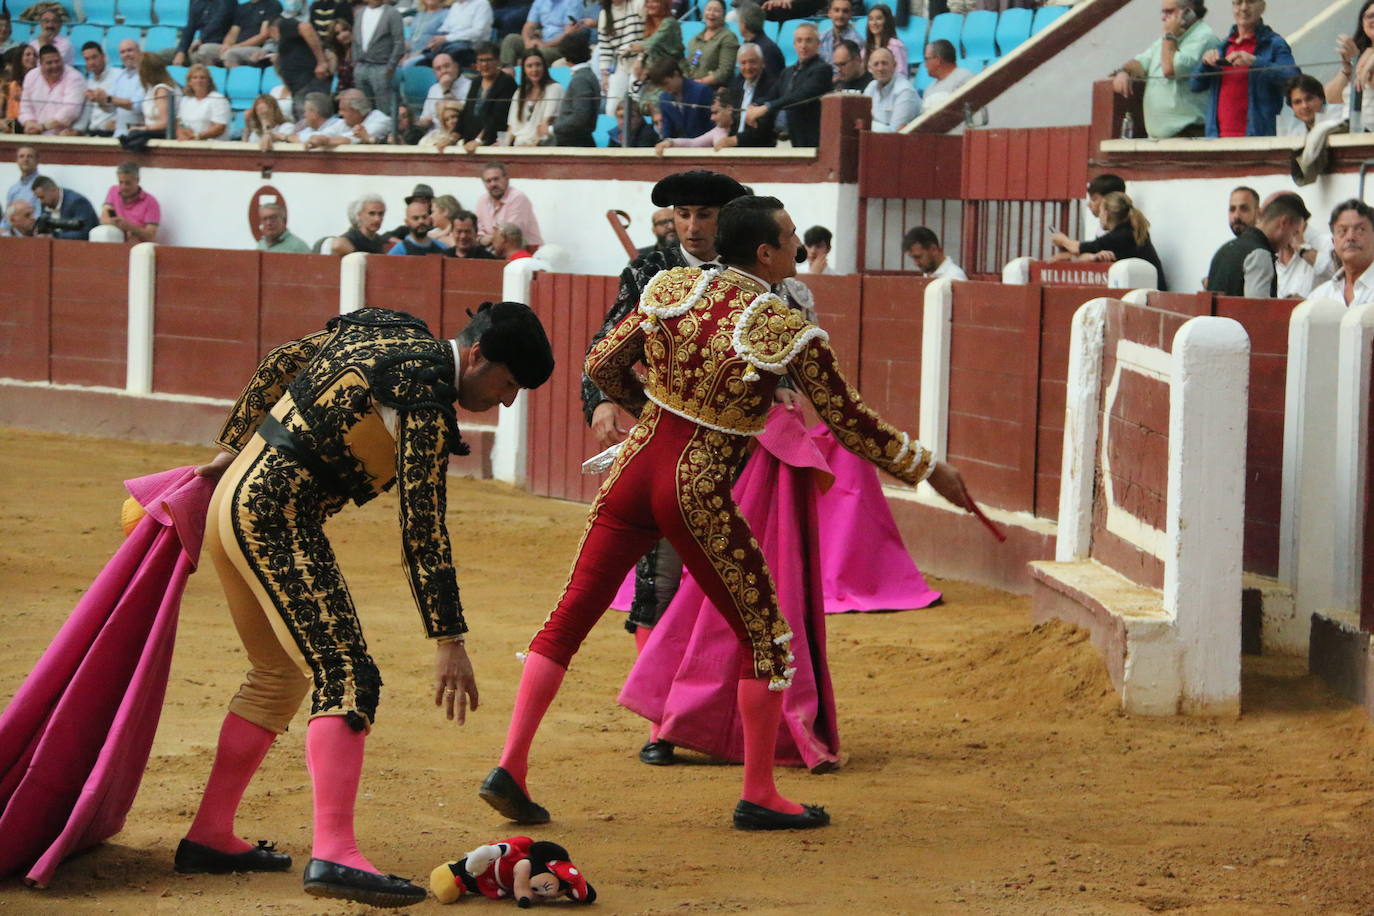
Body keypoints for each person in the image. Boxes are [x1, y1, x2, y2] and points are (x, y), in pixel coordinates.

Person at [479, 193, 973, 831]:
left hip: (634, 469)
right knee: (766, 639)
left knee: (569, 615)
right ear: (765, 253)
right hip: (697, 486)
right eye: (791, 238)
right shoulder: (786, 328)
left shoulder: (673, 288)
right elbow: (848, 422)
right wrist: (928, 468)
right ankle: (760, 792)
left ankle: (510, 767)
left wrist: (653, 408)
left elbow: (602, 363)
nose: (798, 246)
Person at [179, 300, 553, 907]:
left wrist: (229, 450)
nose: (507, 401)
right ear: (479, 355)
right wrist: (448, 639)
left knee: (276, 677)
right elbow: (422, 525)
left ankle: (210, 835)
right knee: (347, 674)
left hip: (233, 503)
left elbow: (284, 358)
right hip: (277, 518)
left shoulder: (387, 328)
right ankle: (333, 853)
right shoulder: (427, 400)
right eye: (508, 384)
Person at [579, 171, 748, 766]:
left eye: (705, 215)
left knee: (730, 584)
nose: (695, 227)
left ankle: (727, 717)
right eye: (685, 215)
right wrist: (601, 400)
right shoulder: (647, 272)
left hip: (738, 451)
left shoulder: (754, 272)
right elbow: (605, 348)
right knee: (661, 579)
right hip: (669, 446)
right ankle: (661, 719)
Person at [1187, 0, 1296, 138]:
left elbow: (1293, 78)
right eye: (1238, 3)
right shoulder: (1223, 46)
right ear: (1233, 7)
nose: (1244, 8)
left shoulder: (1274, 43)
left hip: (1257, 138)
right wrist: (1205, 64)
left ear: (1262, 7)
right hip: (1217, 138)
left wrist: (1255, 62)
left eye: (1250, 2)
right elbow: (1194, 85)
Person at [1110, 0, 1215, 139]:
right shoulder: (1165, 41)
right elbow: (1140, 63)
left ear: (1188, 12)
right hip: (1159, 138)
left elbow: (1170, 70)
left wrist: (1169, 35)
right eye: (1163, 11)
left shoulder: (1204, 37)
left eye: (1169, 11)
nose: (1163, 17)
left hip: (1188, 135)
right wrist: (1124, 72)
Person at [1051, 191, 1168, 290]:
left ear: (1106, 214)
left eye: (1101, 211)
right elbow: (1091, 253)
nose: (1099, 215)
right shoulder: (1129, 231)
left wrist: (1062, 240)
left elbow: (1080, 248)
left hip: (1146, 293)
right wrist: (1068, 255)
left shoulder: (1120, 236)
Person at [1203, 192, 1308, 297]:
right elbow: (1257, 310)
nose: (1291, 240)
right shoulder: (1260, 255)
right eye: (1294, 233)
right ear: (1284, 222)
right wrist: (1288, 307)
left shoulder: (1223, 250)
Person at [745, 22, 831, 148]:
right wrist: (755, 105)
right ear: (794, 45)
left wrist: (766, 108)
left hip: (807, 141)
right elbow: (771, 95)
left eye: (808, 40)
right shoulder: (787, 72)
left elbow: (799, 96)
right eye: (799, 41)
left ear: (818, 44)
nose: (803, 45)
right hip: (781, 139)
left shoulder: (823, 69)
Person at [1310, 199, 1374, 307]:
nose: (1350, 237)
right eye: (1342, 230)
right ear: (1333, 242)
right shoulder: (1319, 297)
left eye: (1360, 230)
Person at [500, 0, 595, 69]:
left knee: (538, 55)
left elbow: (568, 34)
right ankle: (506, 73)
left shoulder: (573, 2)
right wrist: (527, 42)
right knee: (511, 39)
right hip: (542, 42)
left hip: (561, 46)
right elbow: (529, 26)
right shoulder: (540, 2)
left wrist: (543, 45)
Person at [350, 0, 404, 120]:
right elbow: (354, 40)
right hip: (361, 65)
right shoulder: (360, 13)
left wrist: (391, 66)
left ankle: (387, 134)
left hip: (381, 65)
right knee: (364, 107)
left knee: (384, 107)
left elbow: (399, 42)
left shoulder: (392, 13)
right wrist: (355, 63)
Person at [1325, 0, 1374, 132]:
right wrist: (1348, 70)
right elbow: (1331, 97)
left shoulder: (1359, 55)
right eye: (1370, 16)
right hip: (1351, 130)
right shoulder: (1360, 53)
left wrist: (1358, 61)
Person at [457, 43, 518, 151]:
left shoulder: (506, 82)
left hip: (492, 144)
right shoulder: (476, 82)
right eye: (480, 60)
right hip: (470, 144)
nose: (484, 64)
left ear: (498, 61)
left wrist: (479, 140)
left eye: (488, 60)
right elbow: (466, 111)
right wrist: (452, 136)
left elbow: (498, 117)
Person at [269, 16, 331, 117]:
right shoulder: (289, 41)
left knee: (310, 118)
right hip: (298, 86)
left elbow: (306, 28)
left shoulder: (284, 25)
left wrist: (321, 62)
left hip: (308, 81)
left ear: (272, 29)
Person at [475, 162, 542, 251]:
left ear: (506, 179)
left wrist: (487, 239)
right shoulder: (482, 200)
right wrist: (482, 239)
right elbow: (477, 230)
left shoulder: (517, 198)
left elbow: (510, 235)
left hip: (525, 251)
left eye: (496, 179)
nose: (493, 184)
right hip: (494, 251)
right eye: (488, 181)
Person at [195, 0, 282, 68]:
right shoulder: (243, 7)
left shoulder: (272, 5)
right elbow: (233, 31)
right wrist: (227, 44)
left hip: (257, 47)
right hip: (237, 46)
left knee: (230, 54)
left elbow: (264, 35)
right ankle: (215, 81)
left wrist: (237, 46)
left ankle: (237, 83)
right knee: (205, 49)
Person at [722, 43, 777, 148]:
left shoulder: (772, 86)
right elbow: (734, 123)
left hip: (761, 149)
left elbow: (765, 127)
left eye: (752, 62)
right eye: (743, 63)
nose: (748, 67)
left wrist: (736, 140)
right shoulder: (737, 86)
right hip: (736, 148)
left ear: (762, 62)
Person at [20, 44, 84, 136]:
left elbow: (70, 110)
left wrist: (43, 127)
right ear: (41, 64)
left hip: (64, 135)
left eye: (57, 61)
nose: (55, 66)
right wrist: (29, 124)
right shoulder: (31, 76)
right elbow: (25, 107)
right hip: (34, 134)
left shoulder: (75, 77)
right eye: (49, 63)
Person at [85, 40, 144, 138]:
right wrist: (99, 100)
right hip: (119, 135)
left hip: (137, 136)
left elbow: (137, 106)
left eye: (130, 50)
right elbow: (110, 109)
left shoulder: (145, 74)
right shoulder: (121, 76)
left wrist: (108, 98)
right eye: (123, 52)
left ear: (139, 52)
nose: (126, 55)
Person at [545, 33, 596, 147]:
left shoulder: (581, 79)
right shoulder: (587, 75)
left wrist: (552, 129)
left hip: (574, 143)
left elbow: (580, 117)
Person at [654, 84, 737, 152]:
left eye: (716, 113)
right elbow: (693, 143)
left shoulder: (742, 130)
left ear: (729, 109)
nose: (712, 118)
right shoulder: (718, 130)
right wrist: (670, 142)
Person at [596, 0, 644, 115]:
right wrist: (605, 75)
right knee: (611, 108)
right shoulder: (604, 14)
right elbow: (605, 48)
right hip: (621, 63)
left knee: (634, 104)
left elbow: (649, 34)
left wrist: (641, 58)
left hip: (641, 60)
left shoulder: (638, 4)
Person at [506, 50, 563, 146]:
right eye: (529, 66)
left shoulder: (555, 88)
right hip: (519, 146)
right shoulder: (519, 93)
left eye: (538, 65)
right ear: (524, 69)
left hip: (543, 146)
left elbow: (546, 123)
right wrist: (503, 144)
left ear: (544, 67)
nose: (534, 70)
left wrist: (535, 146)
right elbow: (512, 126)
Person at [649, 56, 712, 139]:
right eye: (660, 86)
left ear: (676, 74)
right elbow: (667, 130)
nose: (664, 89)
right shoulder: (664, 98)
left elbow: (712, 123)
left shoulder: (701, 91)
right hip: (681, 148)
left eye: (666, 83)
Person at [306, 87, 393, 146]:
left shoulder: (381, 120)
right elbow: (322, 134)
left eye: (343, 109)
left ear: (356, 110)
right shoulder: (344, 122)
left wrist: (327, 141)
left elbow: (355, 138)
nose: (340, 113)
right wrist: (317, 138)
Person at [100, 161, 161, 242]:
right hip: (117, 239)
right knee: (102, 232)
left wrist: (130, 227)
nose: (123, 187)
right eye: (120, 182)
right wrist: (117, 224)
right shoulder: (113, 191)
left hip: (138, 243)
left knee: (134, 239)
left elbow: (151, 235)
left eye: (128, 183)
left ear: (137, 180)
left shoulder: (150, 202)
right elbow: (103, 218)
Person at [683, 0, 737, 89]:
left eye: (716, 11)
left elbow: (724, 71)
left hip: (713, 90)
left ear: (723, 15)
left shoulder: (728, 37)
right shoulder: (696, 38)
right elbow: (690, 64)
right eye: (709, 9)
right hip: (692, 87)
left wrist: (700, 83)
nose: (711, 13)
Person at [426, 0, 493, 68]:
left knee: (446, 56)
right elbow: (445, 28)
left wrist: (446, 38)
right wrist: (435, 39)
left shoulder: (481, 4)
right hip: (450, 43)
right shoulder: (455, 6)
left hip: (472, 46)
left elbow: (478, 32)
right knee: (426, 55)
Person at [416, 53, 472, 134]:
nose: (444, 71)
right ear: (435, 73)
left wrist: (446, 90)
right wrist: (419, 121)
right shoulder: (433, 89)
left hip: (459, 134)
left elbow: (461, 117)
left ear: (456, 66)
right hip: (435, 135)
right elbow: (425, 118)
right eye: (438, 69)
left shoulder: (470, 86)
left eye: (447, 66)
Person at [864, 46, 916, 133]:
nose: (880, 68)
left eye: (884, 63)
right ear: (870, 69)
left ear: (894, 65)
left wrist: (868, 125)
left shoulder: (905, 91)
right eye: (876, 64)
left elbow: (895, 134)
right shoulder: (871, 87)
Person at [171, 0, 236, 67]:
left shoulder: (227, 2)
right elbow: (190, 26)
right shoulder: (195, 2)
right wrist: (181, 51)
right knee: (163, 56)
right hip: (199, 43)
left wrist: (201, 39)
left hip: (218, 43)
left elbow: (218, 22)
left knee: (196, 55)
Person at [30, 175, 97, 239]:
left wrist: (54, 236)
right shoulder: (46, 204)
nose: (41, 202)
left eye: (42, 197)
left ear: (53, 190)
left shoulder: (77, 202)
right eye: (38, 198)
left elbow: (83, 234)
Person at [177, 64, 231, 141]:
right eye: (195, 78)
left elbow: (220, 127)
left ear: (209, 81)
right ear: (189, 82)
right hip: (189, 142)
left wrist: (197, 137)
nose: (199, 81)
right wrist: (186, 133)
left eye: (202, 78)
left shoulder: (218, 99)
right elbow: (180, 122)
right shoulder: (185, 100)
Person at [919, 39, 971, 115]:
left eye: (927, 59)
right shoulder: (929, 89)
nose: (925, 64)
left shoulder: (964, 78)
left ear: (938, 60)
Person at [78, 42, 120, 136]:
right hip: (92, 133)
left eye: (94, 57)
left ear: (103, 56)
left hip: (112, 133)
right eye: (87, 59)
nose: (91, 62)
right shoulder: (89, 82)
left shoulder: (119, 76)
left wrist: (119, 122)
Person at [388, 199, 452, 255]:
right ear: (407, 222)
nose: (421, 221)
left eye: (424, 217)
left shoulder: (441, 248)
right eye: (415, 218)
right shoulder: (400, 250)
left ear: (429, 218)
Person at [736, 3, 783, 79]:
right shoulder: (749, 44)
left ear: (743, 24)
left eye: (739, 22)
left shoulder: (767, 49)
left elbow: (772, 84)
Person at [2, 144, 40, 235]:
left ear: (37, 160)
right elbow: (7, 217)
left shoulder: (42, 186)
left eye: (29, 156)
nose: (25, 160)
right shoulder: (13, 189)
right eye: (21, 156)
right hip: (12, 233)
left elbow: (38, 218)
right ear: (17, 161)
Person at [400, 0, 449, 67]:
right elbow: (410, 39)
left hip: (428, 55)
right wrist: (404, 54)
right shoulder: (419, 15)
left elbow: (440, 42)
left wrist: (417, 54)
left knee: (408, 64)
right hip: (411, 53)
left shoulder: (446, 14)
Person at [864, 4, 908, 76]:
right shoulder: (866, 47)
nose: (874, 23)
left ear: (887, 21)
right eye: (871, 19)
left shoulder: (895, 45)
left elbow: (901, 74)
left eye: (879, 18)